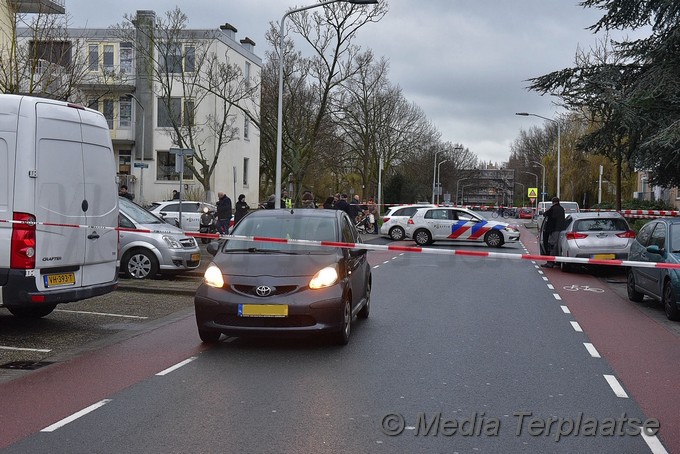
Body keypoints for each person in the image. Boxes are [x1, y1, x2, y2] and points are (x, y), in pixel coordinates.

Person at [541, 197, 566, 268]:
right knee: (558, 246)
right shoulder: (561, 209)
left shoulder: (553, 209)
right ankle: (557, 261)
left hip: (554, 230)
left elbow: (545, 214)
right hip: (561, 230)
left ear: (553, 202)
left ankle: (550, 262)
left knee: (552, 246)